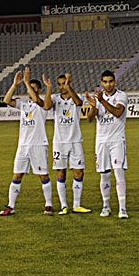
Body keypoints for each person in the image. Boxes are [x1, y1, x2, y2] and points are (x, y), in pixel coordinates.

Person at [0, 67, 53, 216]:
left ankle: (48, 205)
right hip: (23, 145)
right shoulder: (23, 104)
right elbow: (6, 100)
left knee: (43, 175)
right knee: (17, 175)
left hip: (38, 144)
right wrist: (15, 84)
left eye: (35, 88)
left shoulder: (42, 104)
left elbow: (36, 99)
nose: (32, 91)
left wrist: (27, 82)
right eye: (31, 88)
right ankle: (11, 206)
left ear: (40, 90)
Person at [44, 73, 90, 215]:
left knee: (78, 171)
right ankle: (64, 205)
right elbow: (46, 107)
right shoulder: (54, 98)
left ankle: (77, 204)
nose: (62, 86)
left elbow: (78, 103)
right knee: (61, 172)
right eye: (60, 84)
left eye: (64, 83)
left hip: (75, 140)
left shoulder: (78, 96)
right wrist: (49, 88)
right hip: (59, 142)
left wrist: (69, 86)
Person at [85, 70, 128, 218]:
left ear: (114, 82)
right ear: (101, 83)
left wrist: (101, 101)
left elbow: (118, 113)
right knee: (104, 174)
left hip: (117, 140)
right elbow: (90, 119)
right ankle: (106, 206)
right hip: (101, 141)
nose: (108, 84)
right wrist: (93, 106)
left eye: (110, 81)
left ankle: (122, 209)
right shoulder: (98, 98)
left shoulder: (121, 96)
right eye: (105, 82)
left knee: (118, 172)